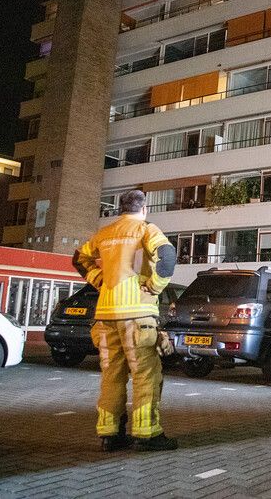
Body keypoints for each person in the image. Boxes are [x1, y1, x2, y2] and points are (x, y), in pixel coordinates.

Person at [73, 190, 178, 452]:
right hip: (137, 315)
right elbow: (167, 256)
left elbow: (78, 259)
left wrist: (98, 279)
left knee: (112, 375)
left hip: (106, 315)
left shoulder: (106, 232)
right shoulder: (145, 229)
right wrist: (154, 286)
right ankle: (147, 434)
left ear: (121, 209)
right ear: (144, 209)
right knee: (145, 375)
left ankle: (110, 434)